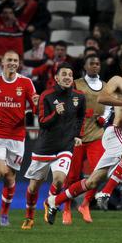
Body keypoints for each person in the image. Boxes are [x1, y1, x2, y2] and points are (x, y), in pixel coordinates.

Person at [44, 51, 122, 223]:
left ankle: (54, 201)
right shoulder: (117, 81)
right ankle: (106, 192)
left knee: (91, 182)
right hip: (115, 133)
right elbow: (102, 97)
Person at [0, 51, 39, 227]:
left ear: (19, 63)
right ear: (2, 62)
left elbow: (35, 108)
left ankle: (4, 214)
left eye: (15, 60)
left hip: (17, 136)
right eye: (9, 60)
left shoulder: (26, 83)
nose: (12, 63)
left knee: (10, 178)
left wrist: (37, 105)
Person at [21, 63, 86, 230]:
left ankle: (51, 203)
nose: (67, 77)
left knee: (59, 181)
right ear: (56, 78)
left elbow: (80, 117)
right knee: (34, 186)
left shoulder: (79, 96)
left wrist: (78, 135)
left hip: (65, 147)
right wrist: (55, 113)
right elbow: (42, 123)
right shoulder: (47, 95)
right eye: (64, 74)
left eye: (70, 75)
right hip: (44, 148)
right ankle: (29, 217)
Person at [62, 53, 112, 225]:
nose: (95, 66)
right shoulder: (76, 83)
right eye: (91, 63)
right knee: (72, 175)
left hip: (97, 134)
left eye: (97, 63)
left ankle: (85, 204)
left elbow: (109, 107)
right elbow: (67, 104)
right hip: (77, 136)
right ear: (84, 66)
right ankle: (67, 207)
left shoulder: (105, 86)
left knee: (100, 172)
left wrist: (104, 119)